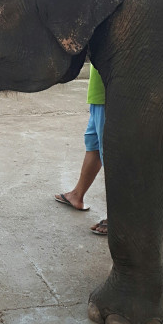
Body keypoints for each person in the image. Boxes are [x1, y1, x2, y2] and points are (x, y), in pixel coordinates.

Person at [54, 64, 107, 235]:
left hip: (108, 97)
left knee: (110, 155)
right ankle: (77, 195)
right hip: (98, 97)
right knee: (93, 146)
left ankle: (119, 217)